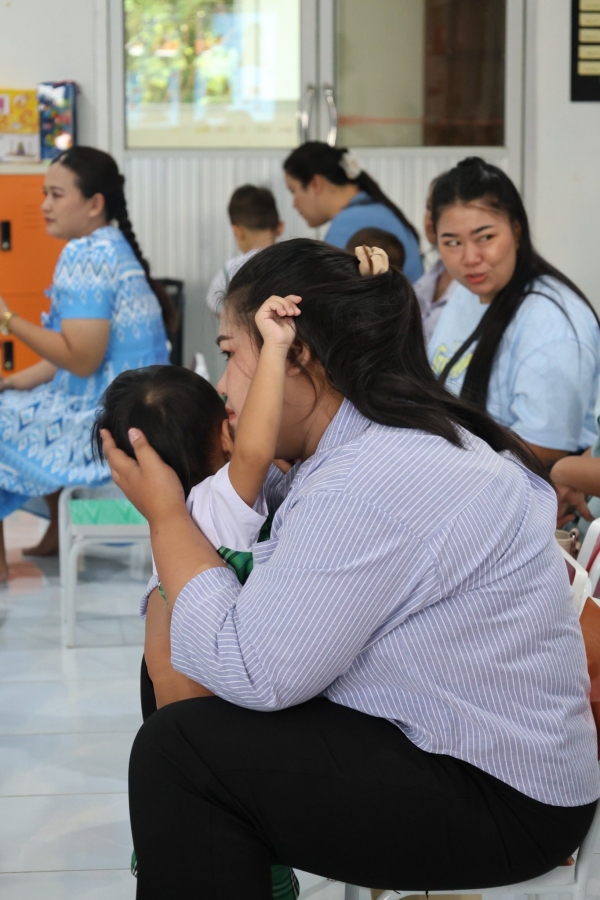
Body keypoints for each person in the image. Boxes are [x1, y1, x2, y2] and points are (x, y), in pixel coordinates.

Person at [101, 239, 598, 898]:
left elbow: (253, 670)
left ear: (294, 355)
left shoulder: (369, 478)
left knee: (182, 755)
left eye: (229, 355)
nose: (223, 389)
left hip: (500, 796)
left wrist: (166, 517)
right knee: (181, 664)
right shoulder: (362, 442)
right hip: (460, 748)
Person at [93, 291, 303, 900]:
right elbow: (258, 447)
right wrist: (275, 349)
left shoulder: (175, 517)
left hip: (178, 737)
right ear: (224, 435)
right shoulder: (216, 505)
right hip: (217, 740)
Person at [0, 146, 170, 580]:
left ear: (94, 204)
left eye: (56, 195)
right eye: (44, 194)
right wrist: (13, 382)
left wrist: (8, 319)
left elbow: (80, 358)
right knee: (19, 401)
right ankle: (55, 532)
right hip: (136, 411)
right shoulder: (112, 247)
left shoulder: (86, 255)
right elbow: (72, 355)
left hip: (104, 418)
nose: (45, 205)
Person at [427, 156, 600, 467]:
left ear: (517, 232)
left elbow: (543, 448)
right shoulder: (467, 291)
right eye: (452, 242)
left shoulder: (552, 323)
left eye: (485, 238)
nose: (470, 258)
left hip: (522, 482)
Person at [283, 141, 423, 283]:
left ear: (316, 184)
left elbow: (332, 289)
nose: (294, 204)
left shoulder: (350, 222)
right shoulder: (375, 210)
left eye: (293, 191)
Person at [206, 184, 283, 313]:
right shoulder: (291, 261)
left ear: (237, 231)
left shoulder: (229, 270)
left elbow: (215, 306)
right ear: (280, 227)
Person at [413, 176, 458, 343]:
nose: (431, 216)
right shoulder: (429, 279)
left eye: (442, 207)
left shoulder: (476, 284)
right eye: (429, 207)